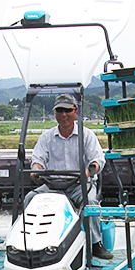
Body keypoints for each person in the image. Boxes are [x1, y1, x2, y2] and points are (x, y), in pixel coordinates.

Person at [26, 93, 112, 260]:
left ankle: (95, 244)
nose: (64, 115)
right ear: (55, 113)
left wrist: (88, 172)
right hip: (52, 186)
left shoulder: (86, 135)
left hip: (78, 186)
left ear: (76, 113)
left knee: (91, 202)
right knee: (30, 198)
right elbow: (38, 160)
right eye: (60, 111)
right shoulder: (47, 137)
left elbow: (98, 160)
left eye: (68, 110)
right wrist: (37, 171)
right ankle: (32, 244)